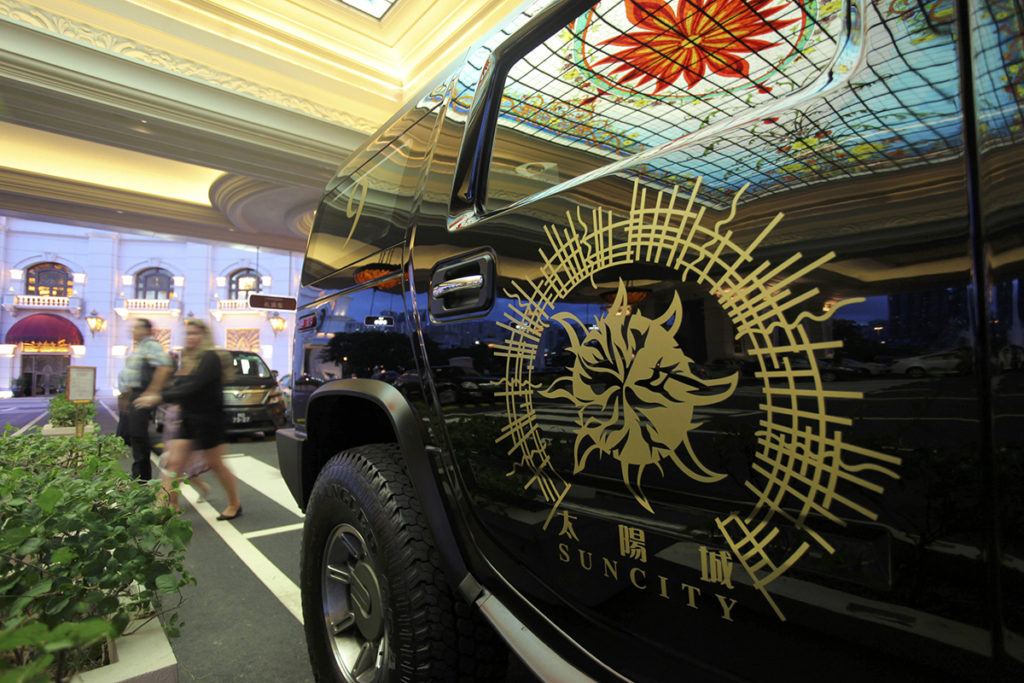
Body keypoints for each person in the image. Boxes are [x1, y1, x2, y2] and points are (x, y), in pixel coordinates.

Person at [136, 319, 242, 520]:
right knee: (174, 464)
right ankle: (161, 508)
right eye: (188, 333)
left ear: (204, 336)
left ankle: (234, 503)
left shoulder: (211, 358)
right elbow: (178, 386)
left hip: (209, 420)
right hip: (187, 418)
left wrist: (160, 397)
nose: (191, 337)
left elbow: (195, 387)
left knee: (216, 464)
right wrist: (157, 393)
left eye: (195, 333)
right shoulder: (187, 359)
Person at [121, 318, 172, 480]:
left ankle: (142, 477)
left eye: (136, 328)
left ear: (146, 330)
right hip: (135, 394)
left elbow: (164, 366)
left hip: (142, 393)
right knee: (134, 435)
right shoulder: (140, 347)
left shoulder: (151, 345)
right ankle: (146, 471)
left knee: (138, 435)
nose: (133, 331)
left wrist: (152, 392)